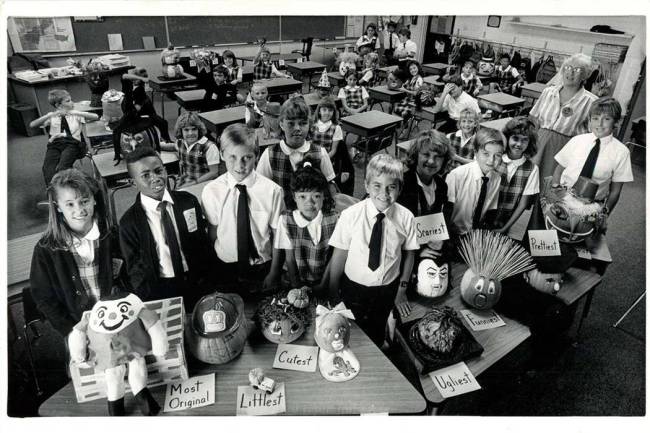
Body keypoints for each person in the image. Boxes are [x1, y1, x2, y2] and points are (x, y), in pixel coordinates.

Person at [328, 153, 419, 347]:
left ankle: (380, 342)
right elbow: (339, 255)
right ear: (367, 185)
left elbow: (410, 254)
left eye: (391, 187)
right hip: (353, 288)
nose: (384, 194)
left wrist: (402, 289)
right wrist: (333, 290)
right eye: (377, 185)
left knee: (377, 329)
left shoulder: (406, 217)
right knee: (349, 331)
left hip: (387, 289)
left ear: (400, 188)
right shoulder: (350, 216)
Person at [30, 168, 126, 338]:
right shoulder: (45, 249)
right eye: (69, 204)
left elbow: (132, 275)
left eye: (84, 201)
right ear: (58, 207)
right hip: (77, 328)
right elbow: (44, 298)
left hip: (118, 318)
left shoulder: (112, 235)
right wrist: (71, 332)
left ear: (94, 200)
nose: (79, 210)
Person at [119, 147, 214, 308]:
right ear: (133, 183)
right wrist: (148, 298)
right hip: (161, 288)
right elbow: (135, 268)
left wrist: (210, 280)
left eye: (158, 171)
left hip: (197, 281)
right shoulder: (129, 222)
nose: (155, 178)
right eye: (146, 175)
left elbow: (202, 243)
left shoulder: (188, 201)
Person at [201, 124, 284, 293]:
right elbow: (213, 233)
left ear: (257, 156)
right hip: (225, 266)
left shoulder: (272, 191)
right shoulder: (212, 191)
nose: (240, 165)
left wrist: (274, 272)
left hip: (262, 267)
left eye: (247, 157)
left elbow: (278, 236)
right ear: (222, 155)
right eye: (232, 157)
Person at [552, 96, 633, 220]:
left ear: (616, 122)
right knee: (547, 233)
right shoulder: (577, 140)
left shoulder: (622, 152)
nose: (599, 124)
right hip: (562, 197)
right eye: (595, 118)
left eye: (606, 119)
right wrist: (556, 193)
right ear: (589, 121)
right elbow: (558, 170)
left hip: (590, 207)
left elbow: (615, 191)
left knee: (577, 238)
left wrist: (604, 215)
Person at [272, 161, 339, 295]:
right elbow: (290, 260)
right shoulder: (286, 220)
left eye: (316, 196)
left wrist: (322, 285)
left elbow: (333, 258)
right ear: (294, 197)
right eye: (303, 196)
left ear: (324, 196)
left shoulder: (334, 219)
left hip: (324, 280)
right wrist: (298, 287)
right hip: (294, 281)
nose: (310, 202)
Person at [256, 96, 337, 205]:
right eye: (291, 123)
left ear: (309, 124)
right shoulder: (270, 154)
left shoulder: (320, 153)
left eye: (303, 123)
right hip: (282, 215)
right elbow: (260, 188)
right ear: (281, 124)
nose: (297, 128)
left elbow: (330, 186)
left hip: (312, 213)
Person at [529, 53, 598, 181]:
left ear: (585, 75)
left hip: (565, 149)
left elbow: (592, 134)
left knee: (551, 184)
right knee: (530, 180)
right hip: (539, 143)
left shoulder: (591, 102)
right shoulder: (548, 92)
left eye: (577, 70)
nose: (570, 72)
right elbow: (533, 117)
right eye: (567, 67)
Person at [29, 89, 99, 185]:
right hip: (55, 144)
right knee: (47, 169)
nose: (72, 102)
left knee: (62, 168)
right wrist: (48, 116)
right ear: (58, 105)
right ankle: (54, 192)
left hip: (73, 144)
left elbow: (95, 116)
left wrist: (75, 113)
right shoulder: (52, 116)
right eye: (68, 101)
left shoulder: (75, 114)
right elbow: (32, 125)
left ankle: (70, 189)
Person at [445, 127, 505, 236]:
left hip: (476, 234)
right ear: (475, 152)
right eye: (486, 154)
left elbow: (490, 210)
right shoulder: (457, 175)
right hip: (453, 233)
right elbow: (446, 210)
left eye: (497, 155)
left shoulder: (496, 179)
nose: (491, 161)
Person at [111, 68, 172, 163]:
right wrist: (139, 78)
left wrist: (135, 106)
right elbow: (124, 76)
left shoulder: (140, 90)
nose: (137, 81)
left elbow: (137, 108)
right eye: (137, 78)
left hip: (143, 115)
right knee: (116, 131)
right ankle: (117, 154)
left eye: (141, 79)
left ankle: (166, 141)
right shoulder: (128, 85)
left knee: (163, 122)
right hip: (129, 115)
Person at [494, 117, 540, 233]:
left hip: (504, 223)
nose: (519, 144)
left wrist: (505, 228)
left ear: (530, 143)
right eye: (515, 138)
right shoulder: (495, 158)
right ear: (507, 137)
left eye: (525, 140)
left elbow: (523, 204)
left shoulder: (532, 169)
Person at [161, 111, 220, 187]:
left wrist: (192, 184)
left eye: (194, 129)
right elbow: (173, 146)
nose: (190, 133)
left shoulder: (209, 147)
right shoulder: (181, 142)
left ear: (199, 129)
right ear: (181, 131)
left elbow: (214, 173)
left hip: (203, 183)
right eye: (186, 130)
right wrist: (159, 146)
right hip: (185, 179)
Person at [311, 97, 354, 195]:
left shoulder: (336, 128)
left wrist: (323, 160)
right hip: (313, 156)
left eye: (330, 110)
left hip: (328, 159)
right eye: (324, 110)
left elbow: (334, 150)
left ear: (334, 112)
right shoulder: (313, 125)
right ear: (319, 111)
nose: (327, 113)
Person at [393, 60, 424, 138]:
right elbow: (407, 86)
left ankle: (405, 129)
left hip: (415, 101)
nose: (413, 70)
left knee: (404, 112)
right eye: (411, 69)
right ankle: (400, 127)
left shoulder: (419, 79)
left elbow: (416, 93)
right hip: (409, 99)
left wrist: (405, 90)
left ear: (418, 68)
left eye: (414, 68)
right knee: (395, 106)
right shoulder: (412, 78)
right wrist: (404, 85)